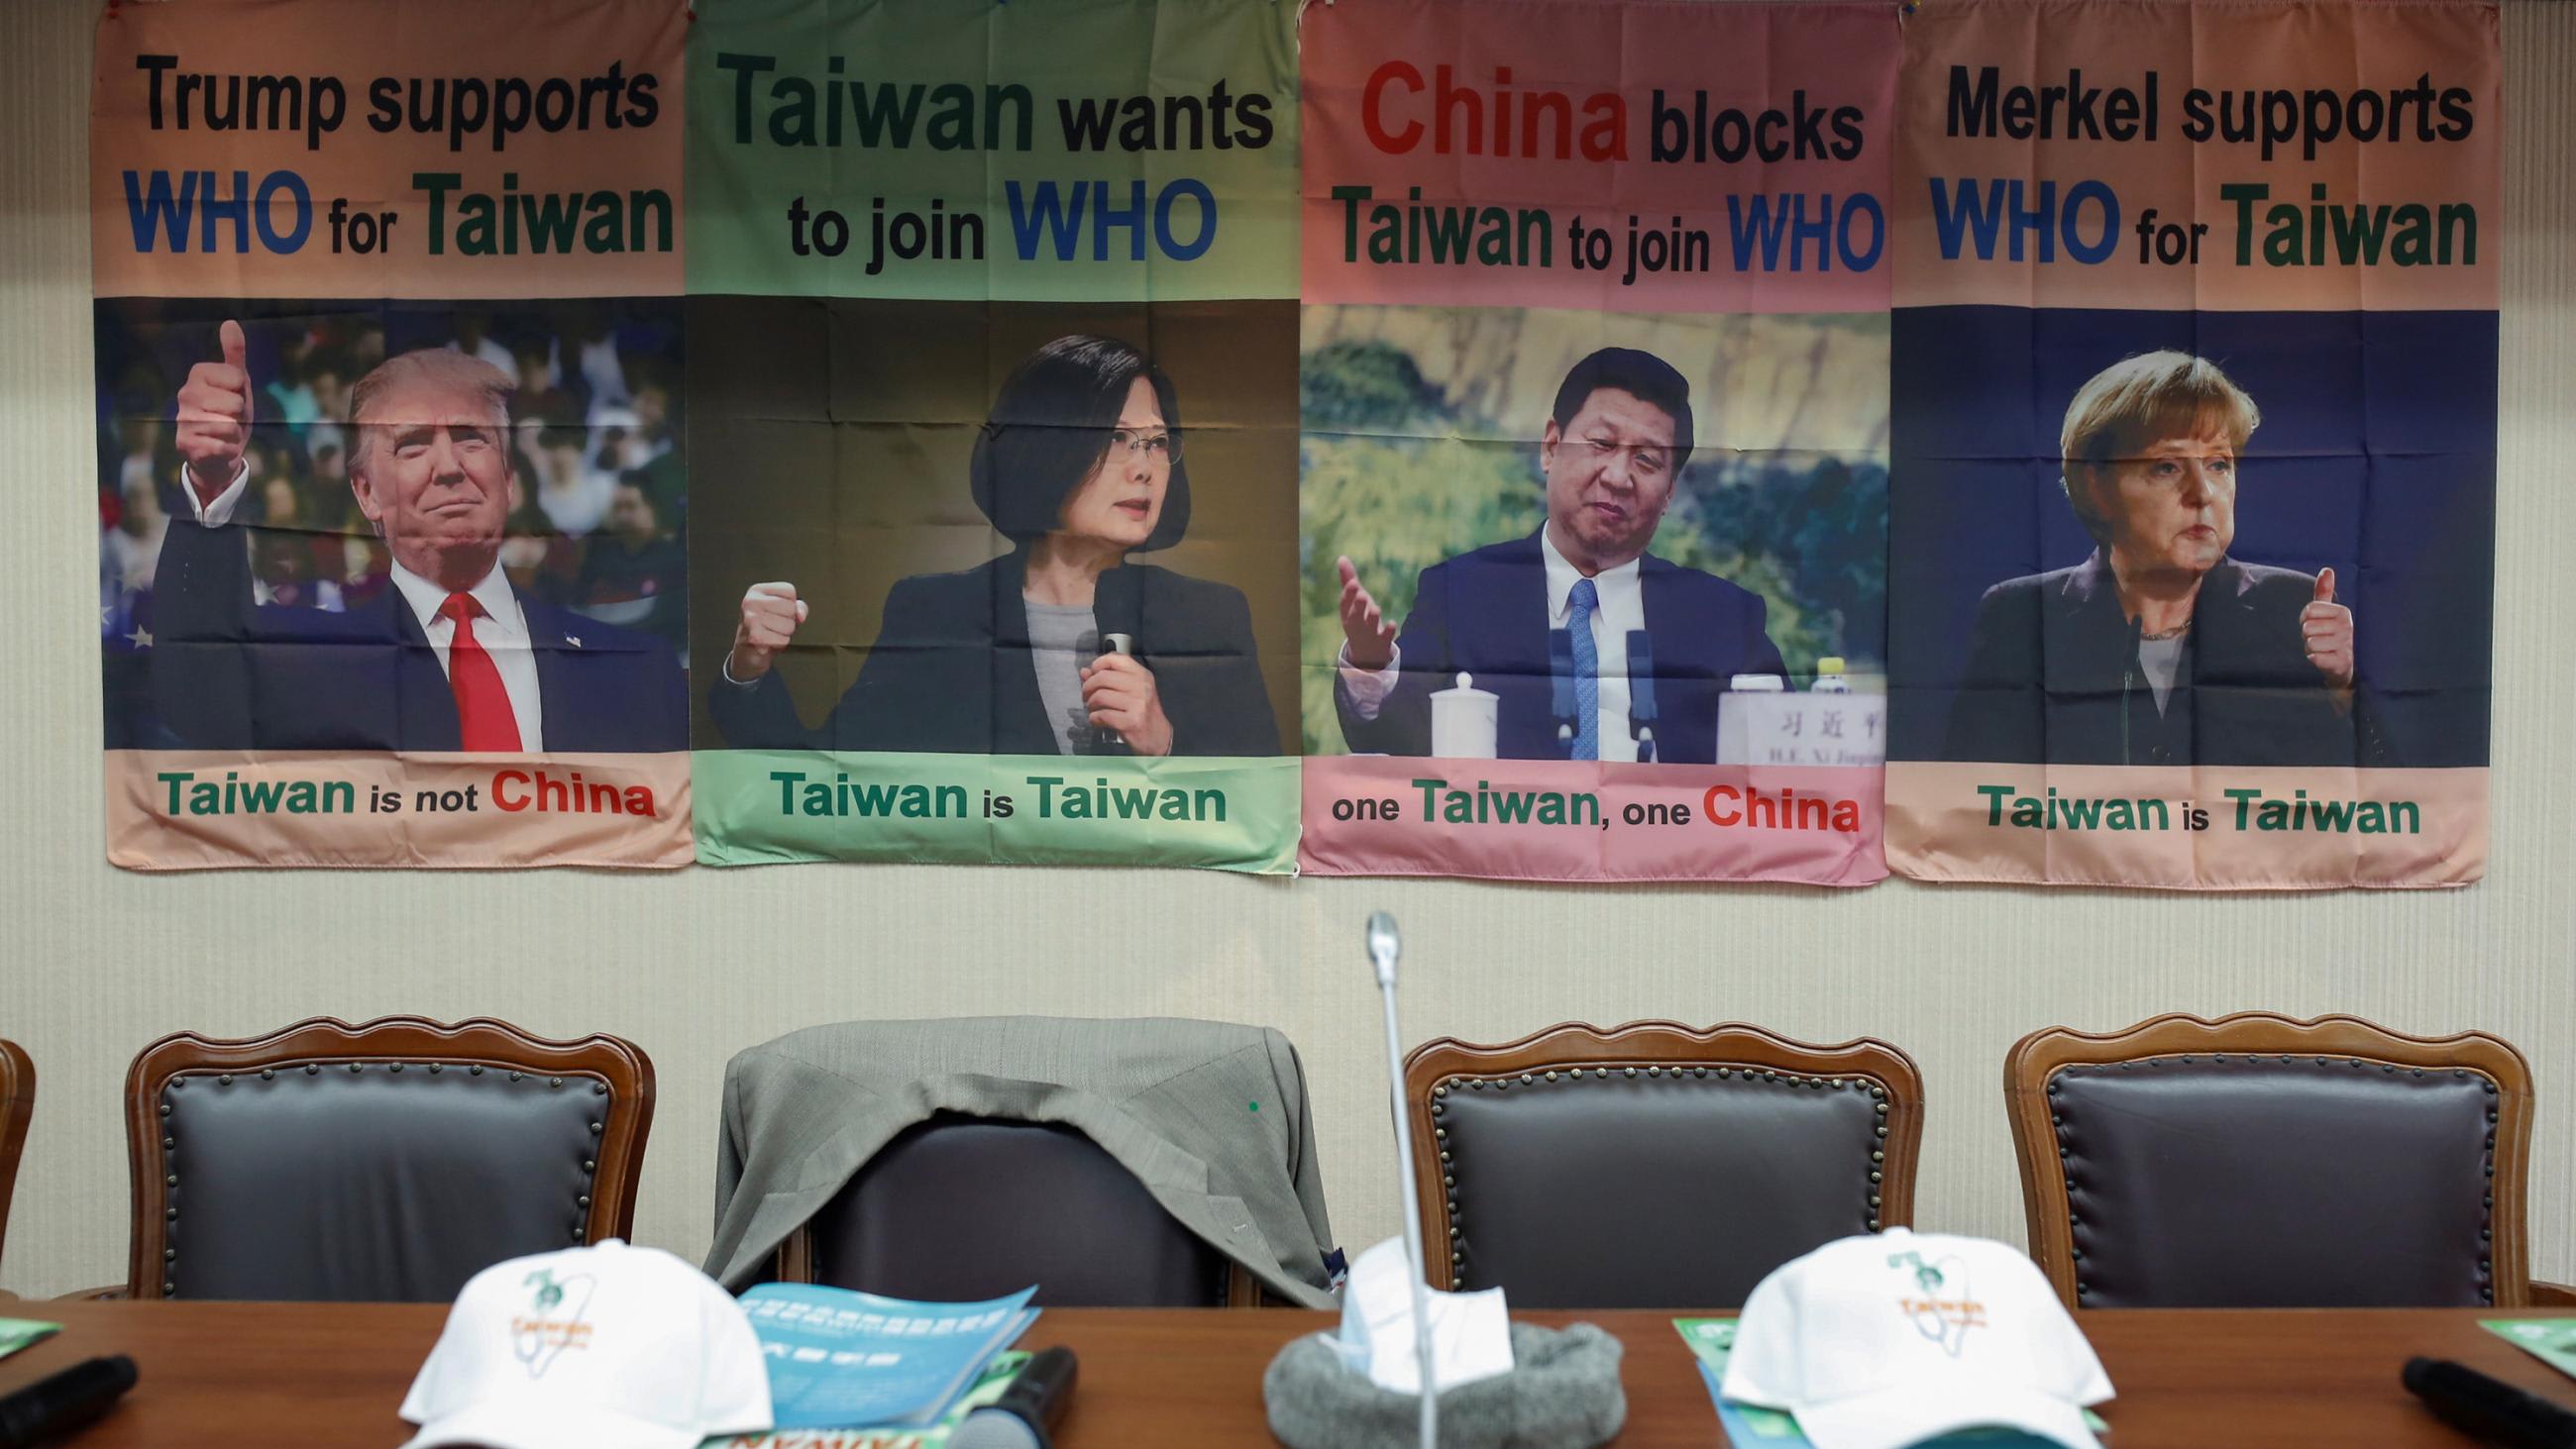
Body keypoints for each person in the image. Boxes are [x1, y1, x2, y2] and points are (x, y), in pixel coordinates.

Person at [711, 334, 1279, 757]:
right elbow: (828, 789)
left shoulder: (1212, 618)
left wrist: (1165, 745)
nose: (1145, 469)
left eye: (1157, 443)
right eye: (1116, 439)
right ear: (1041, 449)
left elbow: (1264, 815)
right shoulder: (934, 612)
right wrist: (749, 669)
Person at [158, 319, 686, 752]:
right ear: (365, 494)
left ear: (508, 479)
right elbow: (198, 693)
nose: (448, 467)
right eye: (411, 446)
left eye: (471, 439)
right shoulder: (316, 663)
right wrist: (212, 483)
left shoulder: (638, 671)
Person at [1332, 347, 1785, 762]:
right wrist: (1371, 668)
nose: (1618, 476)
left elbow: (1788, 767)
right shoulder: (1461, 593)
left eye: (1647, 460)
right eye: (1602, 445)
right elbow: (1394, 742)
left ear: (1668, 493)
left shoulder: (1725, 619)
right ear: (1551, 446)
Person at [1940, 351, 2375, 767]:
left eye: (2219, 465)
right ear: (2097, 485)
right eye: (2167, 466)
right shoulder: (2021, 618)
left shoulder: (2293, 611)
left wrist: (2342, 691)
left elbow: (2387, 806)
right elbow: (1970, 807)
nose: (2203, 494)